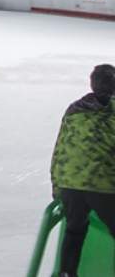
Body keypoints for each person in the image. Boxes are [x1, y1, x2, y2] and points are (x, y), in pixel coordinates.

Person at [50, 64, 115, 277]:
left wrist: (57, 187)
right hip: (104, 185)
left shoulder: (74, 109)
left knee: (74, 230)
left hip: (70, 183)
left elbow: (60, 149)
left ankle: (67, 273)